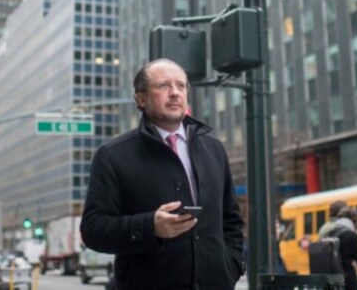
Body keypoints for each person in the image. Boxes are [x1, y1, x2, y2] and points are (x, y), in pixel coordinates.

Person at [80, 58, 246, 290]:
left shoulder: (214, 148)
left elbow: (231, 220)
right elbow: (93, 230)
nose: (175, 93)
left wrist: (232, 266)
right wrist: (150, 227)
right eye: (163, 86)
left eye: (180, 86)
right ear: (141, 98)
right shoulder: (112, 155)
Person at [330, 207, 357, 290]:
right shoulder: (351, 236)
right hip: (348, 282)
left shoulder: (330, 233)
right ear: (354, 221)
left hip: (331, 281)